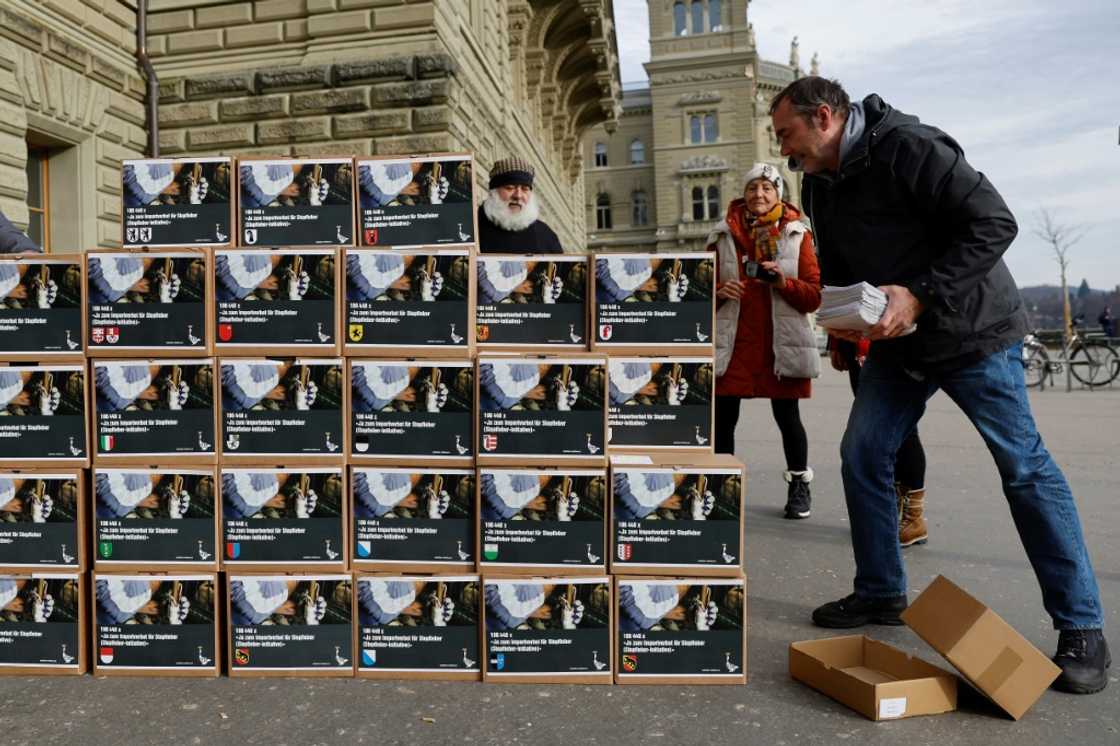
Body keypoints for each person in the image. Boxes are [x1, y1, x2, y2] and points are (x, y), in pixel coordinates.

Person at [770, 76, 1109, 694]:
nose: (784, 152)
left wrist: (921, 293)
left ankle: (1082, 626)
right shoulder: (817, 177)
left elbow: (994, 223)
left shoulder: (911, 146)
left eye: (788, 135)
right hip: (900, 341)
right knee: (863, 453)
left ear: (824, 117)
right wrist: (848, 326)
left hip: (974, 330)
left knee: (1025, 469)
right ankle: (880, 591)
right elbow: (841, 259)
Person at [706, 163, 821, 519]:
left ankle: (799, 484)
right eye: (753, 188)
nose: (759, 195)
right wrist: (718, 292)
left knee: (788, 416)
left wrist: (782, 283)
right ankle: (721, 490)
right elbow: (696, 292)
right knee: (724, 418)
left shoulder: (797, 234)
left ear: (778, 194)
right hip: (735, 338)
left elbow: (813, 296)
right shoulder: (721, 235)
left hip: (778, 340)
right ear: (744, 193)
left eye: (767, 189)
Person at [832, 336, 929, 547]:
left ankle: (913, 516)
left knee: (901, 423)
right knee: (879, 426)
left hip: (892, 335)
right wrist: (837, 342)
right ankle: (894, 510)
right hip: (857, 337)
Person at [477, 157, 562, 254]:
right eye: (510, 188)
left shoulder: (546, 236)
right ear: (494, 192)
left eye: (525, 189)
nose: (518, 195)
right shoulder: (473, 226)